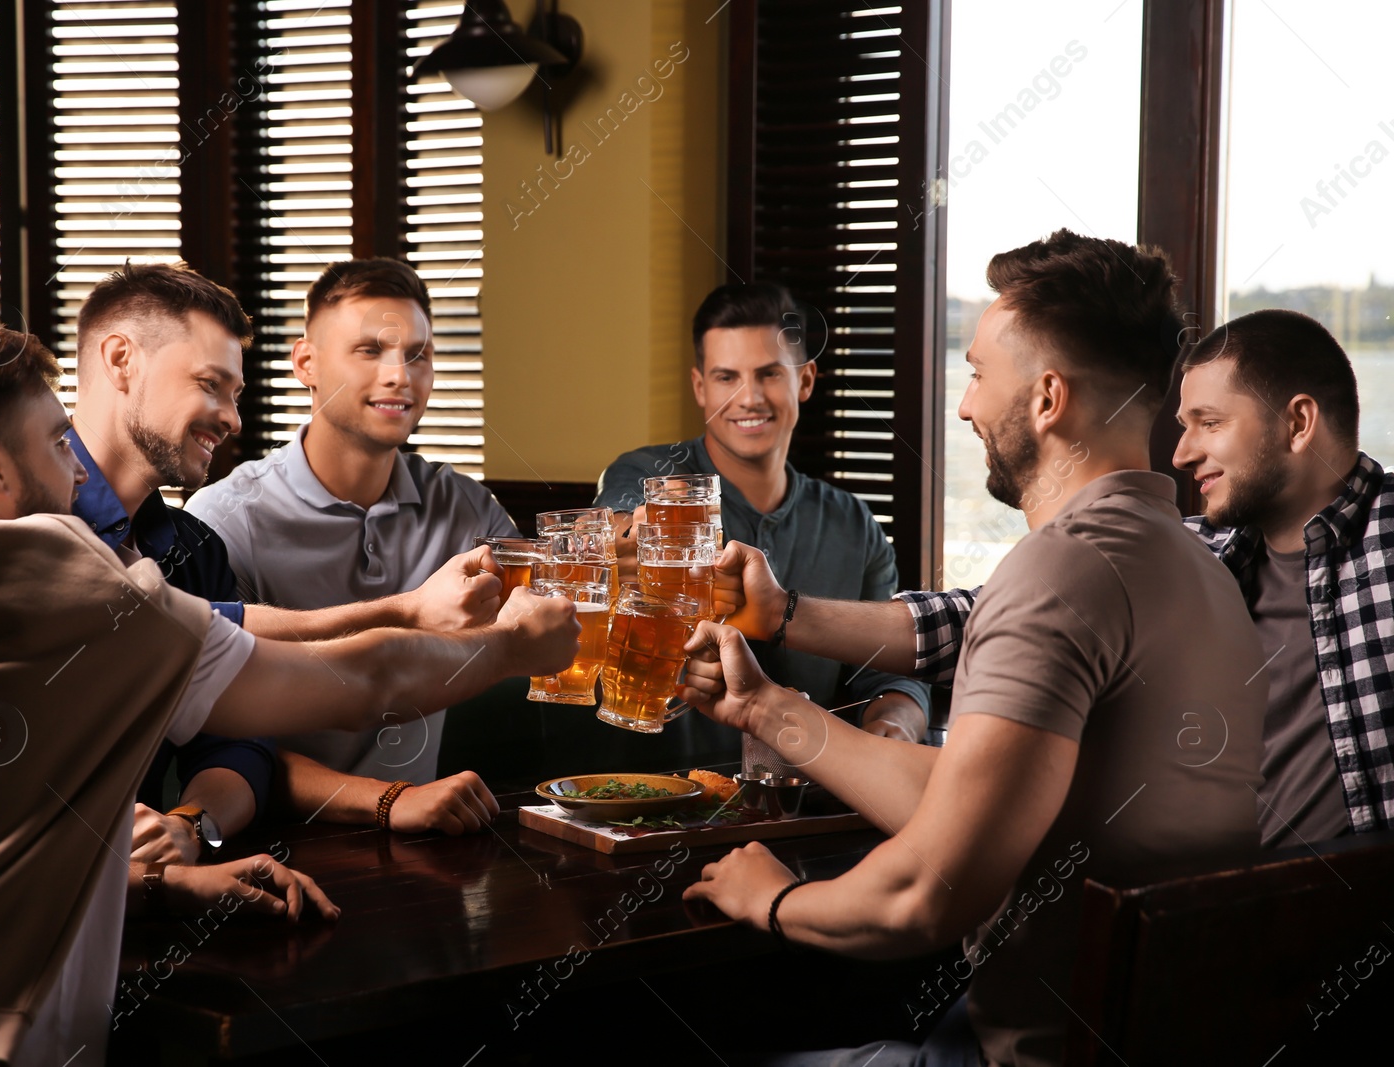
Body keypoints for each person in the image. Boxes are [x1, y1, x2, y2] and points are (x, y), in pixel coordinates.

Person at [0, 322, 578, 1066]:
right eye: (58, 440)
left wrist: (164, 882)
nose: (77, 468)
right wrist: (509, 649)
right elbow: (358, 683)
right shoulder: (55, 581)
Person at [679, 230, 1266, 1066]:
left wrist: (776, 900)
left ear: (1047, 398)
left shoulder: (1060, 571)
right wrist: (763, 707)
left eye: (978, 374)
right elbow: (975, 797)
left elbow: (922, 896)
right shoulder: (1193, 565)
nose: (964, 406)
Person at [836, 309, 1390, 848]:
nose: (1181, 454)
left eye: (1211, 423)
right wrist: (786, 613)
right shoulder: (1201, 551)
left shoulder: (1384, 534)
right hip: (1220, 912)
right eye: (1184, 425)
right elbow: (996, 617)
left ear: (1297, 424)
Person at [67, 261, 505, 851]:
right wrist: (410, 612)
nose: (231, 417)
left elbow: (232, 739)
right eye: (208, 383)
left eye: (235, 392)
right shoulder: (26, 526)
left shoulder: (192, 547)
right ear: (120, 360)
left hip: (138, 890)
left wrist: (192, 829)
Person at [186, 258, 520, 817]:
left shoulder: (461, 504)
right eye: (370, 351)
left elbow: (553, 614)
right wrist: (391, 800)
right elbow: (230, 736)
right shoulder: (224, 518)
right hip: (272, 848)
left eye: (419, 354)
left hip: (428, 841)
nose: (400, 375)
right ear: (306, 363)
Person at [592, 282, 931, 764]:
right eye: (727, 377)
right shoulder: (649, 475)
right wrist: (628, 535)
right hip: (655, 801)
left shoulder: (853, 523)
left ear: (806, 380)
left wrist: (894, 726)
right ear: (699, 387)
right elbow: (620, 525)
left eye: (769, 373)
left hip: (802, 803)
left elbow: (885, 674)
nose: (748, 398)